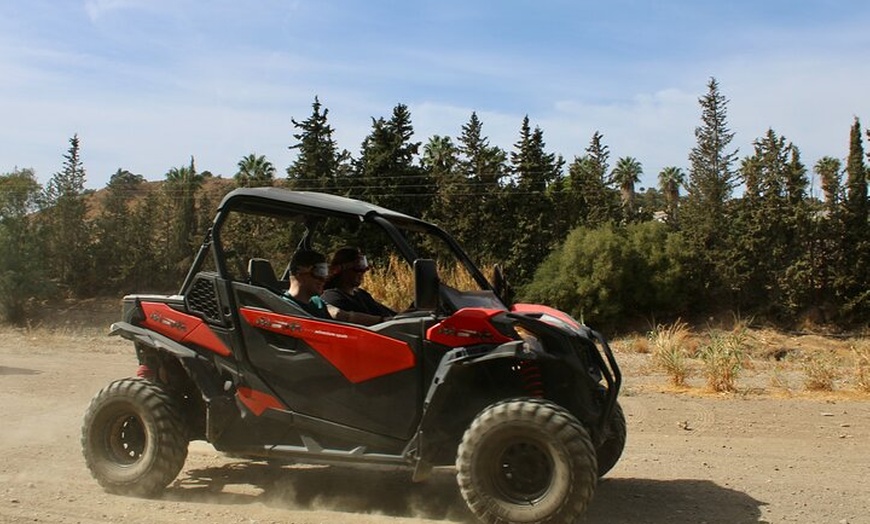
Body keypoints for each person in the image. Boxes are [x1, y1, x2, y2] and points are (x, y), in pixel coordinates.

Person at [284, 249, 385, 326]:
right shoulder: (282, 306)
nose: (324, 279)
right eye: (320, 271)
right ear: (299, 273)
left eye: (325, 272)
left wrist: (384, 321)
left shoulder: (317, 302)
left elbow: (342, 315)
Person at [322, 247, 395, 320]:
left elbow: (390, 316)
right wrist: (381, 320)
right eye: (359, 266)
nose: (364, 271)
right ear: (341, 269)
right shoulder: (332, 297)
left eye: (364, 265)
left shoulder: (361, 294)